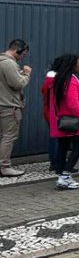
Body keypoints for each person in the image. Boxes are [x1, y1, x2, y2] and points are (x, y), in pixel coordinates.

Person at [47, 54, 79, 189]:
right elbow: (72, 103)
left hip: (61, 119)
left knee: (63, 147)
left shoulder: (58, 80)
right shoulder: (70, 80)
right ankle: (65, 175)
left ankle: (61, 173)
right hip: (72, 120)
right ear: (71, 65)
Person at [0, 39, 31, 177]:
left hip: (2, 103)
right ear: (17, 50)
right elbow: (17, 83)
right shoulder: (9, 63)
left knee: (2, 136)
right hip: (8, 105)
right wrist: (26, 73)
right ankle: (5, 167)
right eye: (23, 54)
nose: (22, 57)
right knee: (9, 136)